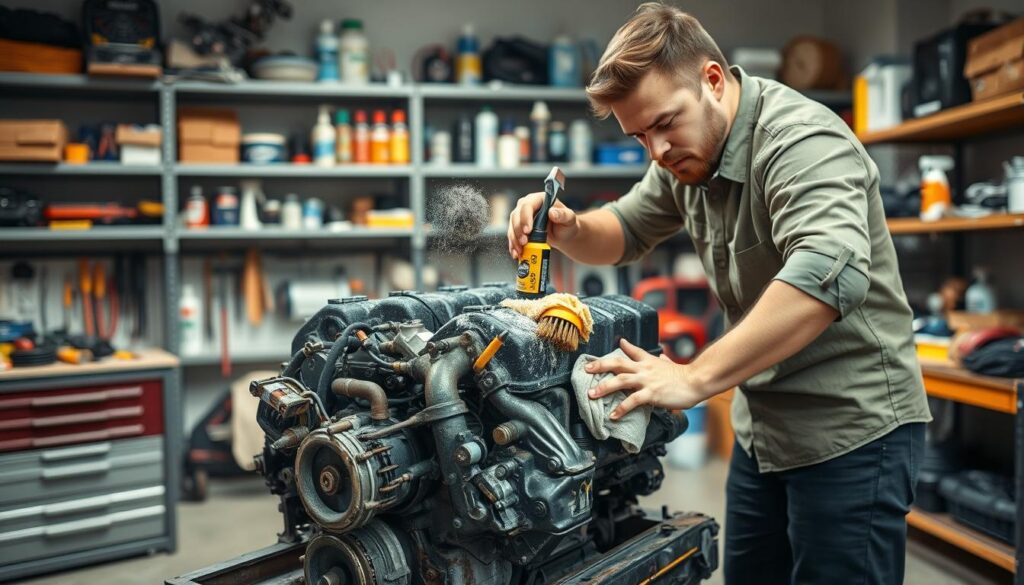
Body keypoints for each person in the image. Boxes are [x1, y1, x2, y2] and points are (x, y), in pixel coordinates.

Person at [506, 4, 931, 584]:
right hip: (764, 432)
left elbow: (828, 275)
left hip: (852, 433)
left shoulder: (800, 140)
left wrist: (693, 377)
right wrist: (570, 227)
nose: (656, 150)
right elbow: (626, 228)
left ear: (711, 79)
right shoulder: (686, 157)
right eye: (639, 136)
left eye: (664, 124)